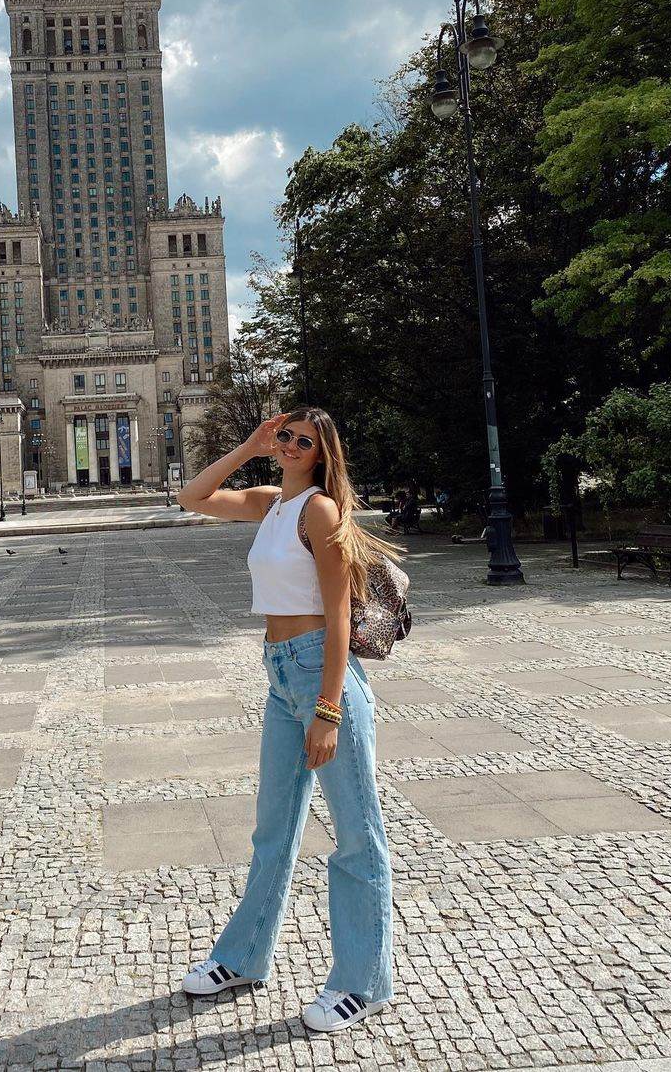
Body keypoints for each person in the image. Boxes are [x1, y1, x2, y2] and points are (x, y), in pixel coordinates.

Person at [176, 406, 401, 1033]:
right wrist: (249, 445)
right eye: (288, 437)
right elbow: (192, 496)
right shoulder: (274, 502)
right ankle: (245, 958)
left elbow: (337, 619)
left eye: (307, 440)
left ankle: (363, 982)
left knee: (356, 835)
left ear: (325, 451)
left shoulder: (321, 512)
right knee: (272, 830)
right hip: (279, 672)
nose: (295, 445)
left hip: (320, 677)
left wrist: (328, 710)